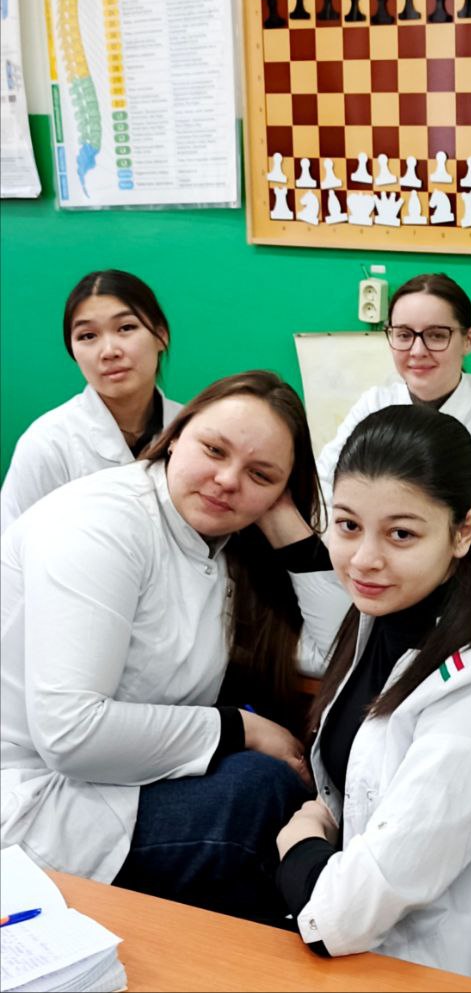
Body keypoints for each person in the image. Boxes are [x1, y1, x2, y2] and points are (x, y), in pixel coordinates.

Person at [0, 371, 348, 923]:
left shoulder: (218, 539)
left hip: (115, 776)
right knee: (262, 793)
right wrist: (240, 728)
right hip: (37, 799)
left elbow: (334, 657)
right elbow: (70, 734)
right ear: (176, 433)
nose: (227, 480)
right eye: (214, 450)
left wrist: (285, 524)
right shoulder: (101, 526)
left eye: (260, 474)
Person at [276, 405, 471, 989]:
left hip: (447, 969)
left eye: (401, 534)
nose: (365, 559)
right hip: (363, 947)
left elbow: (344, 914)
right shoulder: (382, 614)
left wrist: (302, 845)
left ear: (463, 532)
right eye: (347, 525)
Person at [315, 273, 471, 582]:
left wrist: (378, 543)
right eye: (403, 334)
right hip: (382, 583)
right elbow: (320, 502)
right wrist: (451, 545)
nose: (417, 350)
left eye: (437, 335)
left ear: (469, 340)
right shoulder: (374, 404)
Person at [1, 270, 182, 531]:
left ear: (161, 336)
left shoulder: (192, 430)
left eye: (126, 328)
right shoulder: (48, 442)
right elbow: (9, 544)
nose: (109, 351)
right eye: (87, 336)